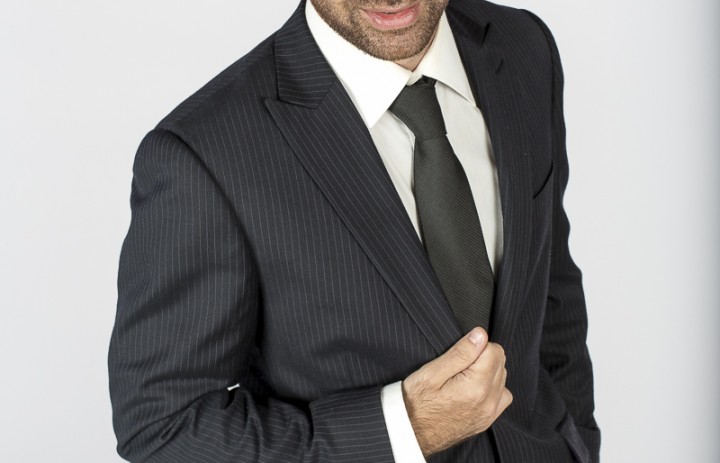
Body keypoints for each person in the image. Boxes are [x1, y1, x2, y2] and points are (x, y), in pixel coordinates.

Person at [108, 0, 600, 461]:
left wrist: (578, 444)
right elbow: (162, 426)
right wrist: (406, 430)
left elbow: (550, 290)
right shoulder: (206, 153)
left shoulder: (524, 47)